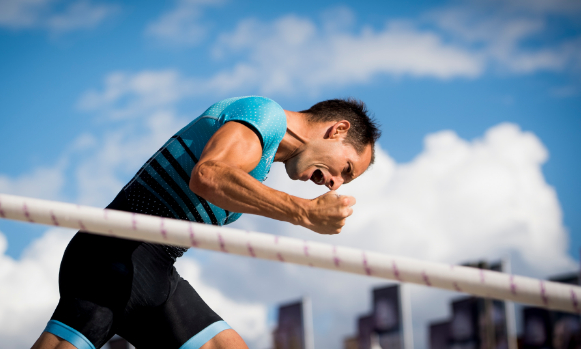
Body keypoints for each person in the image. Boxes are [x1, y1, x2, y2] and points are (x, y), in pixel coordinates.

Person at [32, 96, 381, 349]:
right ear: (337, 130)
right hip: (112, 255)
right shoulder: (264, 114)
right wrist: (302, 211)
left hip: (155, 274)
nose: (335, 183)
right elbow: (209, 175)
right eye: (345, 169)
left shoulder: (259, 161)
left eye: (344, 182)